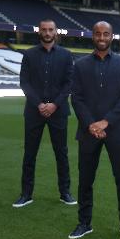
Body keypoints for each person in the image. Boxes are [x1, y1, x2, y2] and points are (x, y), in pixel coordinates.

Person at [68, 21, 120, 239]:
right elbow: (76, 98)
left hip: (115, 132)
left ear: (111, 36)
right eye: (97, 33)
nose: (101, 37)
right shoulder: (80, 65)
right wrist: (91, 124)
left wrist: (105, 122)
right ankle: (84, 222)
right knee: (85, 180)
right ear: (92, 36)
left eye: (106, 33)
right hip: (88, 132)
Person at [13, 19, 76, 208]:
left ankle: (65, 192)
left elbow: (69, 83)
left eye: (50, 30)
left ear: (56, 32)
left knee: (61, 153)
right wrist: (39, 104)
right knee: (30, 154)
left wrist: (54, 105)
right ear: (39, 32)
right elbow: (25, 82)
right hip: (34, 111)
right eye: (44, 30)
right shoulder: (29, 55)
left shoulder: (66, 55)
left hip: (58, 112)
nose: (47, 33)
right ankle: (26, 194)